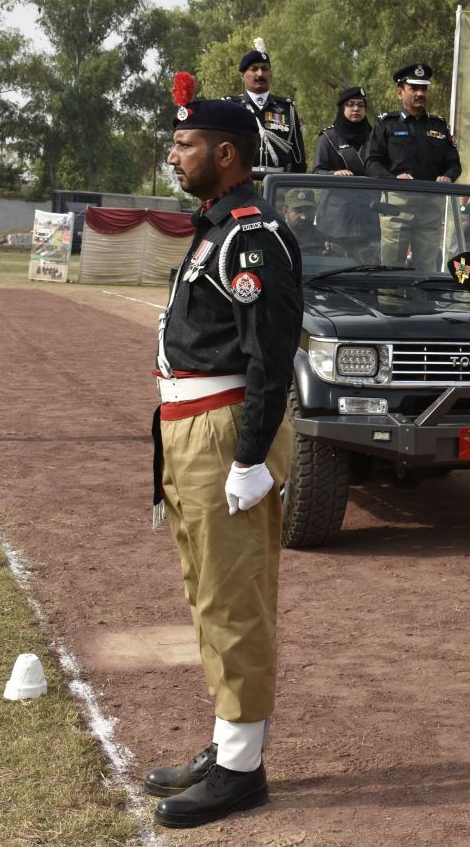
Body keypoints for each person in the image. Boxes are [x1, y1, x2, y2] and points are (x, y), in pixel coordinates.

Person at [146, 73, 302, 829]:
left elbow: (270, 357)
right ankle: (229, 743)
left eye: (186, 144)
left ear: (226, 153)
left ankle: (242, 768)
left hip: (223, 430)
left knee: (235, 598)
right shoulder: (213, 229)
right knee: (206, 590)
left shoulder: (252, 235)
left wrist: (249, 458)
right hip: (188, 427)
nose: (175, 156)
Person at [365, 62, 460, 267]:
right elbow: (372, 162)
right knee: (392, 269)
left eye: (424, 88)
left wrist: (448, 176)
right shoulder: (387, 123)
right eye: (414, 88)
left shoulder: (439, 125)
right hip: (396, 204)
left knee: (427, 269)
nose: (420, 93)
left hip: (430, 205)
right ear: (400, 93)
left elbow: (454, 163)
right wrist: (393, 179)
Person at [310, 86, 379, 258]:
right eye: (350, 104)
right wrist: (334, 174)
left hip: (368, 215)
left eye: (360, 105)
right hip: (337, 218)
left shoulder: (375, 137)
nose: (356, 109)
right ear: (342, 108)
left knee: (368, 266)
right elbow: (317, 172)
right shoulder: (328, 137)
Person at [228, 39, 305, 174]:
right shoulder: (230, 107)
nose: (260, 74)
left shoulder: (287, 108)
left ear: (271, 74)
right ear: (242, 75)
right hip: (241, 180)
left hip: (278, 182)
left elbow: (298, 156)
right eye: (254, 69)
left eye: (264, 69)